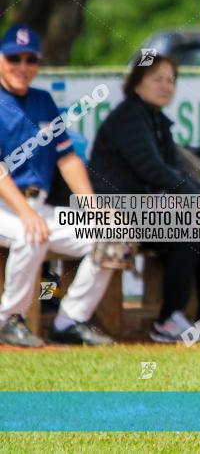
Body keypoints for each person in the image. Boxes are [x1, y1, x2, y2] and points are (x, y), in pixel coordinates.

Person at [87, 55, 200, 343]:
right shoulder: (128, 117)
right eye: (157, 78)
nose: (165, 86)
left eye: (171, 80)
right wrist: (196, 199)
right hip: (113, 212)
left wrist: (198, 199)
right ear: (137, 84)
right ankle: (168, 320)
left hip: (142, 210)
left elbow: (171, 172)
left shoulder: (157, 119)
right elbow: (153, 170)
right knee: (193, 221)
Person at [0, 25, 114, 347]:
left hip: (38, 205)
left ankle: (70, 321)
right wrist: (25, 214)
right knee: (31, 235)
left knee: (109, 238)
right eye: (13, 59)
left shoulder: (44, 101)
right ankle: (8, 319)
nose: (22, 67)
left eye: (29, 60)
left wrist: (92, 207)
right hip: (7, 207)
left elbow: (67, 159)